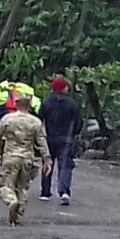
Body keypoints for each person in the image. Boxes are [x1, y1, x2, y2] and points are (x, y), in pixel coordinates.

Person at [0, 94, 52, 226]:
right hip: (27, 158)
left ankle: (11, 201)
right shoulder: (36, 122)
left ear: (16, 104)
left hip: (11, 156)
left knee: (4, 185)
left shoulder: (7, 119)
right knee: (22, 187)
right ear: (29, 105)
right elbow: (42, 142)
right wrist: (47, 160)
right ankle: (18, 215)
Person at [38, 77, 83, 205]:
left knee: (48, 162)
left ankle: (45, 191)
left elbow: (39, 119)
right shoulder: (72, 104)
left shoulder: (47, 102)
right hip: (66, 138)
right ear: (63, 88)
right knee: (65, 165)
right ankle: (64, 191)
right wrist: (75, 133)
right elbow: (79, 121)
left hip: (50, 136)